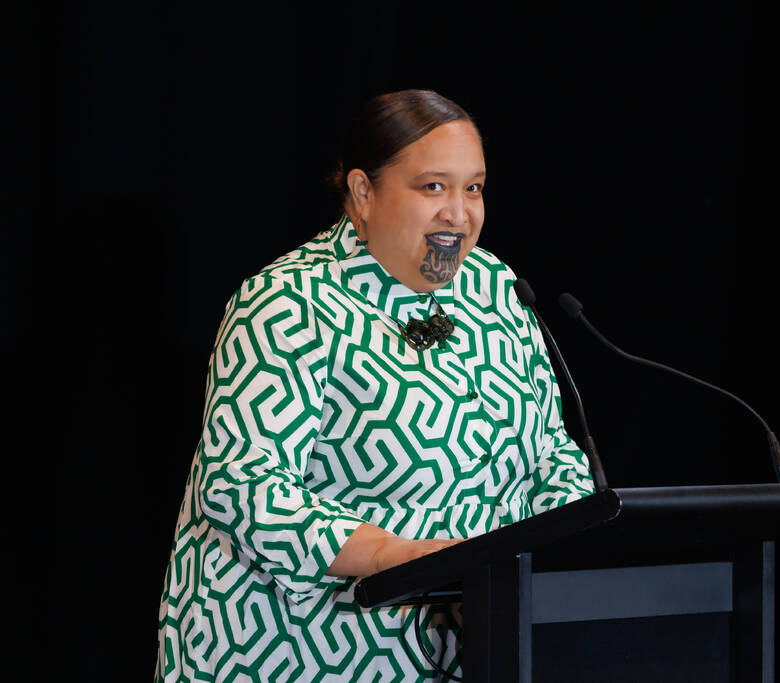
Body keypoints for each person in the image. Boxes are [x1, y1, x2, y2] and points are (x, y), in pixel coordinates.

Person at [155, 89, 595, 681]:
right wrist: (397, 555)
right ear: (364, 192)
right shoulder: (288, 303)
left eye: (474, 188)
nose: (459, 214)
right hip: (304, 649)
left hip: (477, 646)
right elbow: (243, 487)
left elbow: (549, 454)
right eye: (433, 187)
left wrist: (574, 546)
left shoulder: (496, 288)